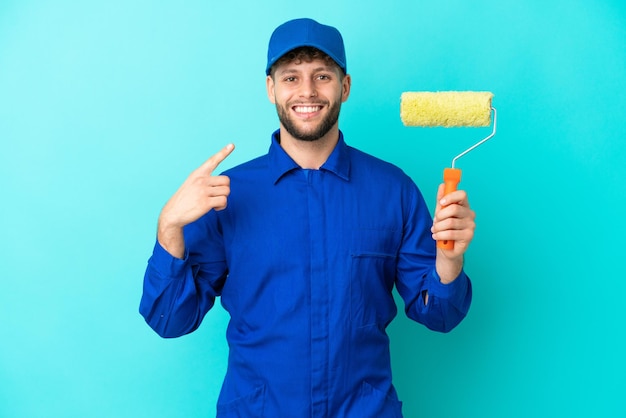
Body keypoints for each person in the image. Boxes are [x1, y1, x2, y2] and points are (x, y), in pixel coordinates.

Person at [140, 17, 474, 417]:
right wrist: (169, 228)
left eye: (322, 76)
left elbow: (440, 315)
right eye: (291, 78)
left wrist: (450, 260)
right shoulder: (226, 195)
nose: (308, 92)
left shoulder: (392, 191)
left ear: (344, 87)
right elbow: (171, 319)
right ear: (271, 89)